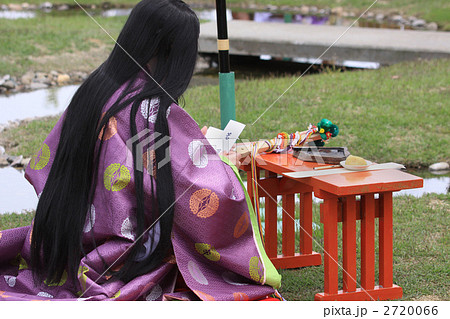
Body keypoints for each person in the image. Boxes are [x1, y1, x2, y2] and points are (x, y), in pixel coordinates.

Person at [0, 0, 281, 301]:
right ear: (176, 52)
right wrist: (221, 163)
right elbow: (196, 185)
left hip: (65, 237)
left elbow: (49, 160)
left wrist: (190, 148)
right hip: (117, 252)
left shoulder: (97, 85)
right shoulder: (148, 107)